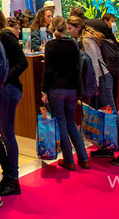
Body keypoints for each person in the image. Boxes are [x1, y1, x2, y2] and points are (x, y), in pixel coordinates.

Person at [77, 16, 119, 166]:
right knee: (102, 113)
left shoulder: (87, 40)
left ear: (78, 27)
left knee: (112, 115)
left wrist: (95, 85)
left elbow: (94, 65)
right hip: (103, 78)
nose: (68, 31)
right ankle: (106, 147)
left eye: (70, 28)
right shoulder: (90, 37)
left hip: (102, 79)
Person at [0, 5, 27, 196]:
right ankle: (8, 174)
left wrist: (6, 78)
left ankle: (13, 178)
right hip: (1, 90)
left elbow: (22, 62)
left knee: (7, 134)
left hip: (8, 90)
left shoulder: (5, 36)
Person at [41, 16, 89, 171]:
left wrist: (44, 90)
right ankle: (83, 157)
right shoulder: (74, 44)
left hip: (56, 88)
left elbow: (47, 70)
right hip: (72, 88)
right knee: (71, 122)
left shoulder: (51, 45)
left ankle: (69, 159)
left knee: (61, 122)